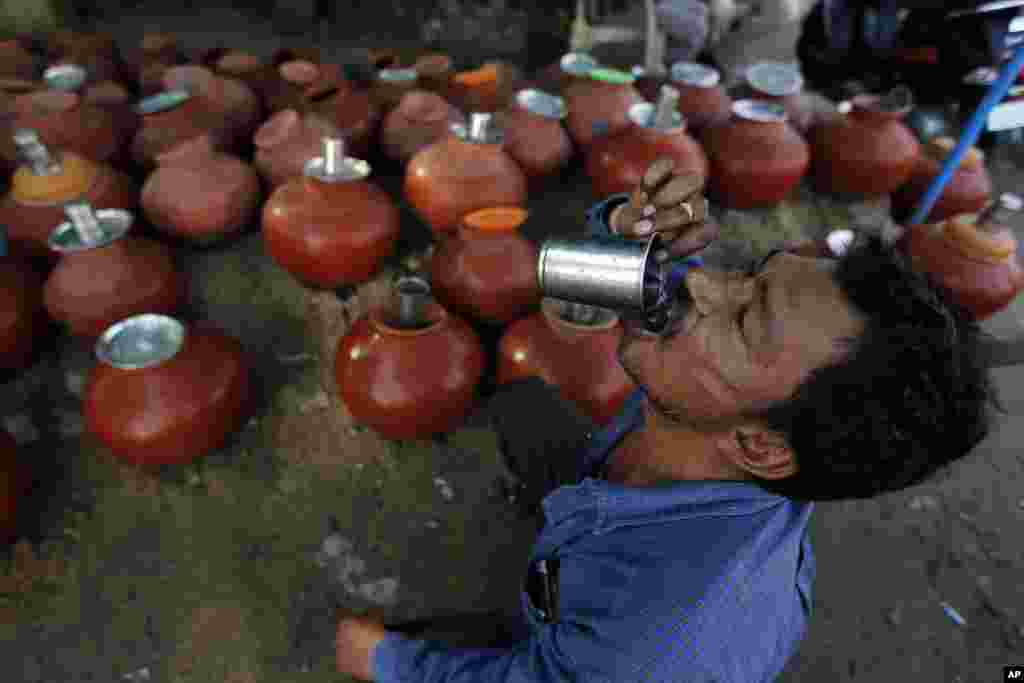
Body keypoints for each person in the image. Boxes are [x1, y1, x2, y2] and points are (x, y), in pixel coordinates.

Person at [334, 157, 1003, 682]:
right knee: (523, 406)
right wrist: (623, 228)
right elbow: (598, 276)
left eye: (744, 315)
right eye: (751, 273)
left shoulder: (654, 641)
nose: (704, 283)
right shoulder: (727, 399)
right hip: (628, 489)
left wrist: (387, 660)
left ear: (759, 445)